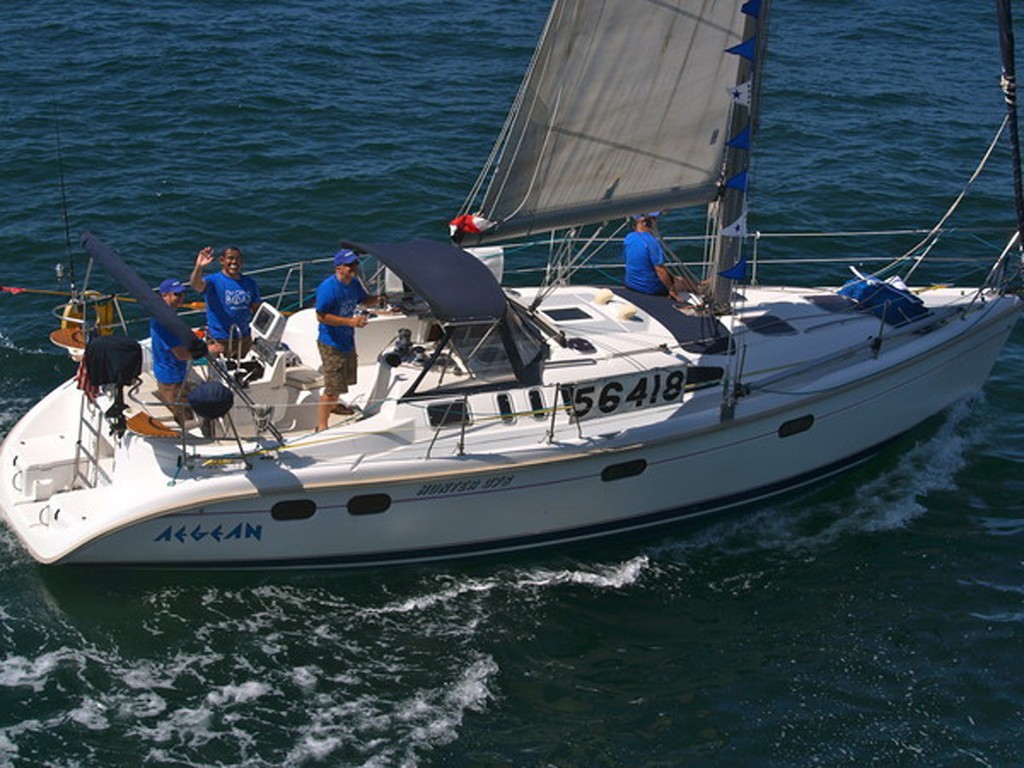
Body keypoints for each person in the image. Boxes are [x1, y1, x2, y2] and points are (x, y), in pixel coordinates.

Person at [315, 248, 379, 431]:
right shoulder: (328, 288)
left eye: (355, 264)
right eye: (350, 265)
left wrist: (379, 299)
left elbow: (364, 299)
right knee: (332, 386)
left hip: (346, 340)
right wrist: (350, 321)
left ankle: (334, 406)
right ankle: (321, 426)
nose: (354, 267)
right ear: (339, 267)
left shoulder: (353, 283)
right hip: (331, 343)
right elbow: (321, 316)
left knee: (342, 380)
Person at [189, 245, 261, 359]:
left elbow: (257, 309)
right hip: (219, 340)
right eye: (230, 258)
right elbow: (195, 284)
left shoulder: (250, 283)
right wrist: (199, 267)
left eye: (237, 259)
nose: (234, 262)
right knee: (219, 375)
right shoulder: (213, 281)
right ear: (222, 260)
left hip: (244, 339)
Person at [150, 278, 193, 425]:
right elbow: (182, 355)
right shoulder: (166, 324)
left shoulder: (162, 316)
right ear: (164, 295)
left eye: (182, 294)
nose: (181, 298)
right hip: (172, 379)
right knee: (186, 417)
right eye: (176, 295)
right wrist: (208, 350)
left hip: (167, 373)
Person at [622, 213, 695, 300]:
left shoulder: (629, 237)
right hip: (650, 289)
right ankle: (702, 289)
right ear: (645, 223)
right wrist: (672, 290)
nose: (656, 222)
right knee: (682, 281)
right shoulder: (651, 242)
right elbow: (660, 270)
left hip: (631, 285)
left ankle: (701, 285)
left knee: (673, 278)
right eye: (654, 219)